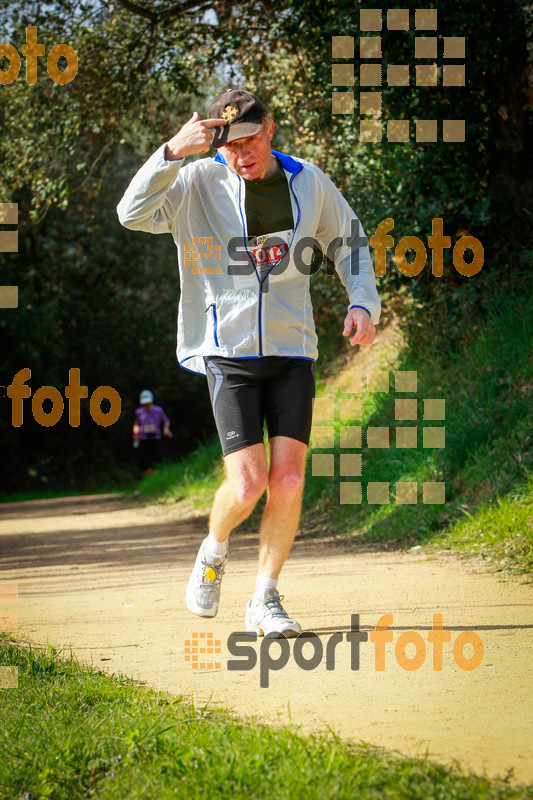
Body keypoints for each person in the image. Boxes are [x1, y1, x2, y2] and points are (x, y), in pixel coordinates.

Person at [118, 88, 380, 637]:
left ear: (271, 129)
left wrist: (361, 301)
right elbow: (131, 214)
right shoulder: (195, 183)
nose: (242, 154)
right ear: (218, 143)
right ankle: (213, 552)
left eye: (251, 139)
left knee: (288, 477)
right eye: (230, 144)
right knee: (248, 484)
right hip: (227, 351)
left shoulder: (308, 180)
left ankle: (266, 597)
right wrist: (171, 152)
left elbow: (349, 241)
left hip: (292, 349)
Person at [133, 390, 173, 474]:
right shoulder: (139, 412)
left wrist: (166, 428)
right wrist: (135, 434)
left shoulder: (158, 410)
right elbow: (136, 424)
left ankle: (156, 474)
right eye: (145, 404)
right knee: (144, 458)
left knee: (155, 456)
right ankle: (147, 474)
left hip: (155, 438)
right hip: (143, 438)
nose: (146, 405)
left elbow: (166, 420)